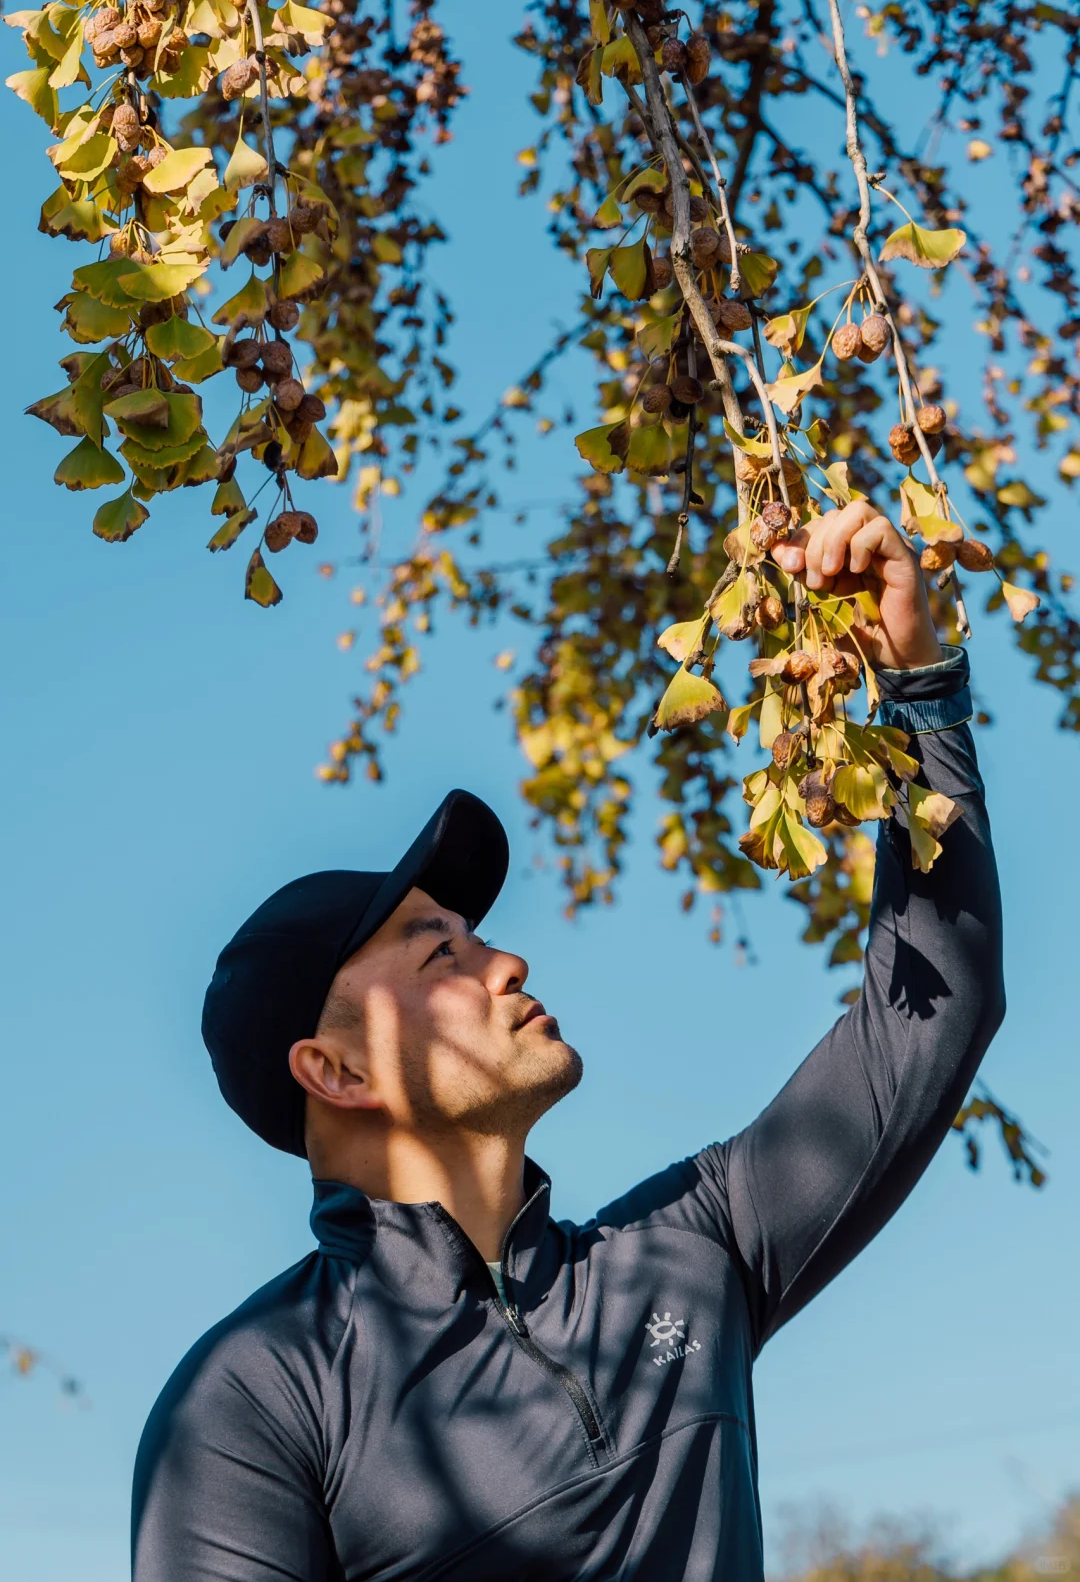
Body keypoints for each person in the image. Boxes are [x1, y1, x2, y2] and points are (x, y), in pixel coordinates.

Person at [131, 500, 1004, 1582]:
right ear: (336, 1068)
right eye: (438, 955)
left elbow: (934, 1009)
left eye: (481, 937)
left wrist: (917, 685)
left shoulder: (696, 1244)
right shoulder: (256, 1392)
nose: (507, 963)